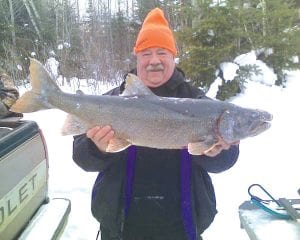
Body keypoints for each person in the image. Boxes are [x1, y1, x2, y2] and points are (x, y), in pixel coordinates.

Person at [73, 8, 239, 240]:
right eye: (146, 53)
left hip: (181, 226)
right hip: (120, 227)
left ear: (173, 56)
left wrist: (216, 153)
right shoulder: (110, 101)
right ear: (137, 57)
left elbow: (225, 161)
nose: (154, 61)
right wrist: (98, 148)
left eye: (162, 52)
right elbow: (82, 157)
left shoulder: (199, 102)